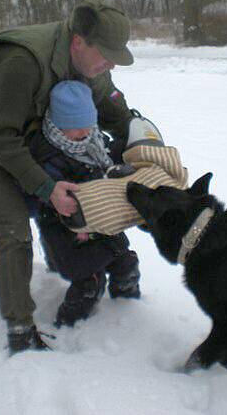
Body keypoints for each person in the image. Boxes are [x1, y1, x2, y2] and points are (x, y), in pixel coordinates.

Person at [0, 0, 140, 354]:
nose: (111, 63)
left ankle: (63, 265)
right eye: (106, 54)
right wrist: (46, 186)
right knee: (11, 223)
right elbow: (1, 137)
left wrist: (141, 138)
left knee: (53, 188)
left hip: (11, 130)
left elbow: (112, 108)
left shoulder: (92, 64)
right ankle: (21, 330)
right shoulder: (23, 61)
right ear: (78, 41)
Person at [25, 80, 140, 328]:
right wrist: (75, 225)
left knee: (124, 260)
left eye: (88, 126)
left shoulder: (94, 141)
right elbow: (46, 193)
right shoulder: (47, 154)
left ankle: (130, 303)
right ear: (59, 125)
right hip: (63, 222)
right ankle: (71, 324)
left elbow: (107, 165)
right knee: (84, 274)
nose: (84, 133)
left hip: (100, 214)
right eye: (77, 128)